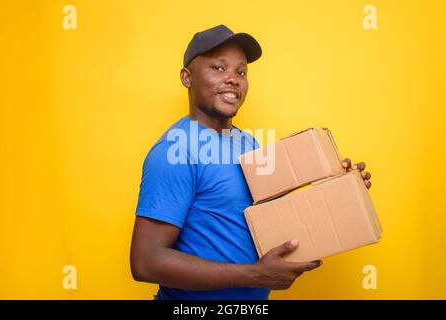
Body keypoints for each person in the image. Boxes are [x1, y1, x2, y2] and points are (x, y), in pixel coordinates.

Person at [129, 24, 372, 300]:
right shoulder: (175, 151)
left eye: (241, 72)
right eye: (218, 68)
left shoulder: (247, 143)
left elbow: (268, 213)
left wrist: (338, 189)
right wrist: (254, 274)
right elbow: (146, 262)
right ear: (187, 77)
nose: (233, 79)